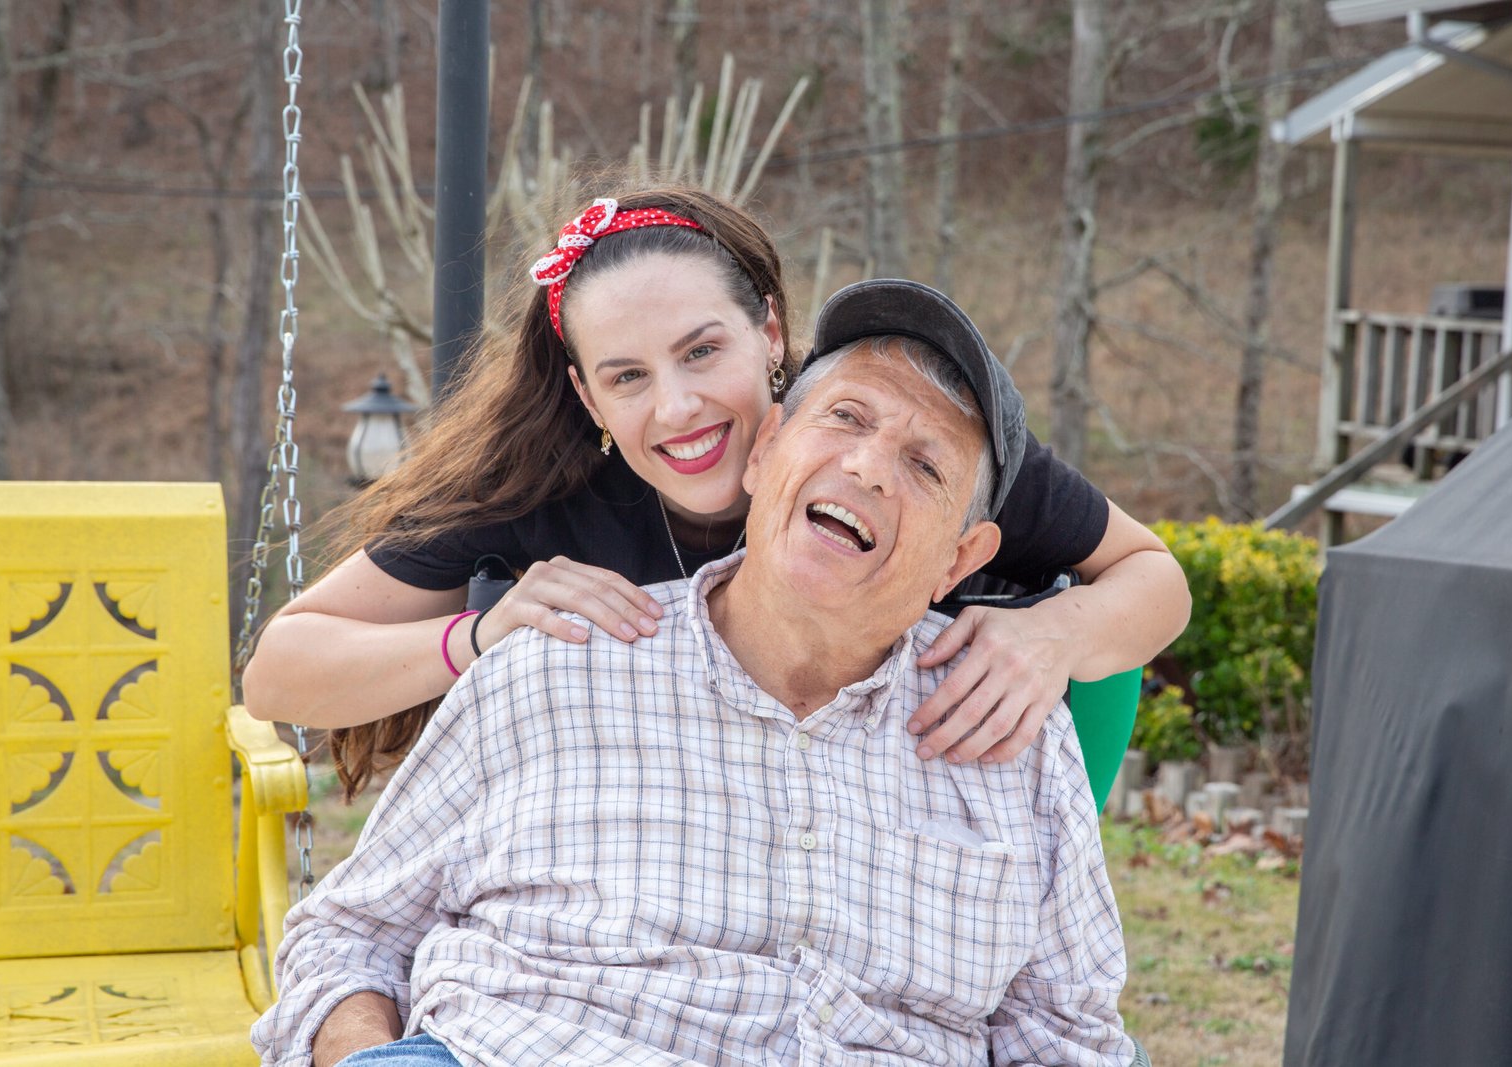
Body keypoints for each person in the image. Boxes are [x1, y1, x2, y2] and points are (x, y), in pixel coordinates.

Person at [251, 291, 1143, 1066]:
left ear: (963, 556)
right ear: (762, 455)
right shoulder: (556, 658)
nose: (868, 465)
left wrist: (1064, 629)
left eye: (925, 464)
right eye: (846, 418)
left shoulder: (1012, 738)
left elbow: (1067, 1037)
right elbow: (348, 936)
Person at [241, 186, 1189, 799]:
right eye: (627, 377)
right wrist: (482, 633)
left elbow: (1155, 578)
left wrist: (1050, 638)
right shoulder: (542, 494)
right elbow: (282, 668)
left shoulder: (883, 441)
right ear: (585, 394)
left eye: (703, 351)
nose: (679, 407)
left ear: (770, 332)